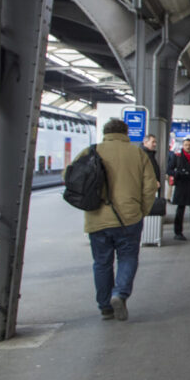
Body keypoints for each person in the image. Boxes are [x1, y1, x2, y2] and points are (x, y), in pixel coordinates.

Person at [68, 118, 158, 321]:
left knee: (101, 262)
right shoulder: (137, 153)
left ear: (105, 133)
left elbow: (70, 176)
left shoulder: (91, 151)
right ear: (125, 133)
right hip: (129, 217)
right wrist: (142, 210)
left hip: (96, 217)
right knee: (127, 257)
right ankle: (120, 293)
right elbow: (150, 186)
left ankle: (105, 307)